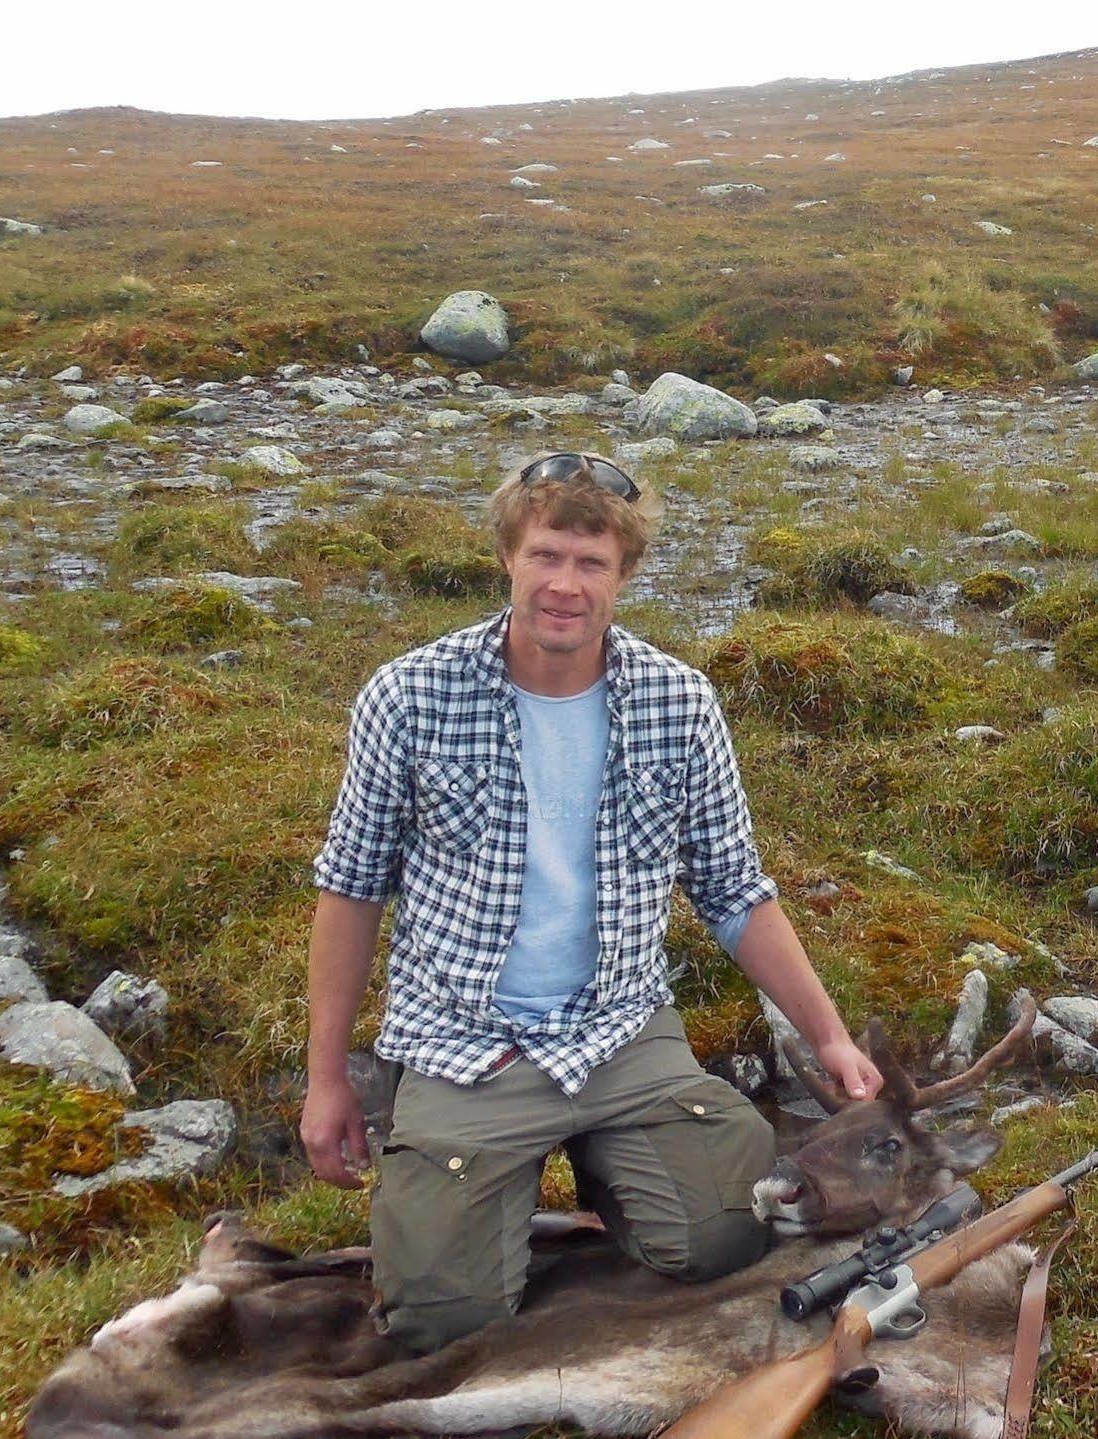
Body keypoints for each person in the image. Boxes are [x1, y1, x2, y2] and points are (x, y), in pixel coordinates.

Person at [302, 450, 885, 1353]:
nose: (563, 585)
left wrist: (830, 1036)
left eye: (590, 563)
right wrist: (327, 1077)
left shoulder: (678, 702)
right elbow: (351, 888)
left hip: (620, 1030)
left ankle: (611, 1166)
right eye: (545, 555)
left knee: (728, 1238)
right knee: (441, 1323)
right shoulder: (409, 695)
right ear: (508, 556)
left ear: (624, 574)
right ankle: (497, 1188)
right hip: (465, 1043)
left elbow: (734, 890)